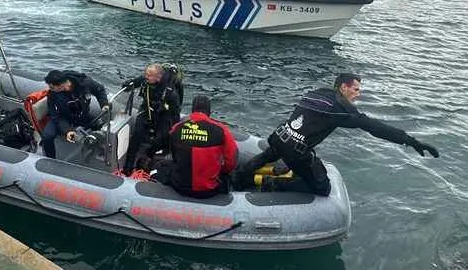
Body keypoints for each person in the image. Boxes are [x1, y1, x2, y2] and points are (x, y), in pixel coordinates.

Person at [234, 73, 439, 195]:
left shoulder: (319, 92)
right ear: (343, 87)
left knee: (271, 153)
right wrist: (410, 141)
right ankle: (270, 183)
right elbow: (374, 127)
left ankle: (239, 177)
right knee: (322, 188)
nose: (358, 94)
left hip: (279, 137)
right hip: (295, 152)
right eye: (356, 89)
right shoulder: (341, 109)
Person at [144, 95, 237, 198]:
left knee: (159, 165)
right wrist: (221, 170)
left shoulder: (177, 128)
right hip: (209, 190)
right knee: (229, 176)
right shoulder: (222, 130)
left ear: (192, 110)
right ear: (209, 112)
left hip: (180, 187)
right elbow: (231, 161)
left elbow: (174, 156)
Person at [120, 63, 182, 175]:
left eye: (149, 75)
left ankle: (149, 160)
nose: (146, 77)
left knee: (160, 138)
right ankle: (128, 168)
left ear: (158, 77)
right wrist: (128, 85)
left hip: (164, 113)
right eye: (146, 74)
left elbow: (175, 113)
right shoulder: (146, 80)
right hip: (147, 109)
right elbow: (135, 82)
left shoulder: (170, 92)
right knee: (137, 133)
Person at [41, 70, 109, 159]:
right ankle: (50, 159)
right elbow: (56, 116)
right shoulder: (53, 95)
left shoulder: (85, 83)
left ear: (62, 85)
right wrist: (67, 130)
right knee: (47, 136)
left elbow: (99, 90)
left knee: (101, 125)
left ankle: (101, 152)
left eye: (52, 87)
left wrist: (104, 104)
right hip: (63, 118)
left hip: (81, 115)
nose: (50, 89)